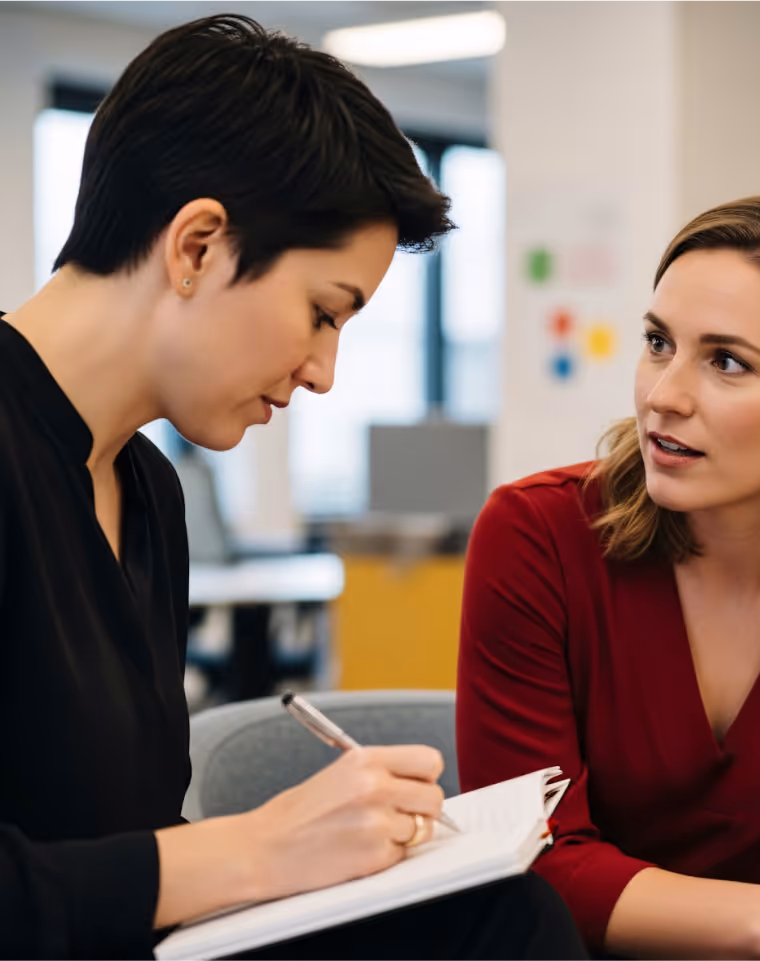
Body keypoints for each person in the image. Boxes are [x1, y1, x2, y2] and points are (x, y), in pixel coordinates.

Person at [0, 14, 588, 961]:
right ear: (197, 246)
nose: (322, 373)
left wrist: (317, 857)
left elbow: (118, 843)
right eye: (322, 313)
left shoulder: (147, 489)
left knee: (503, 918)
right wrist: (260, 848)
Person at [457, 193, 760, 961]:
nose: (664, 395)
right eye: (658, 342)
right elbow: (530, 856)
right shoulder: (537, 535)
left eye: (726, 361)